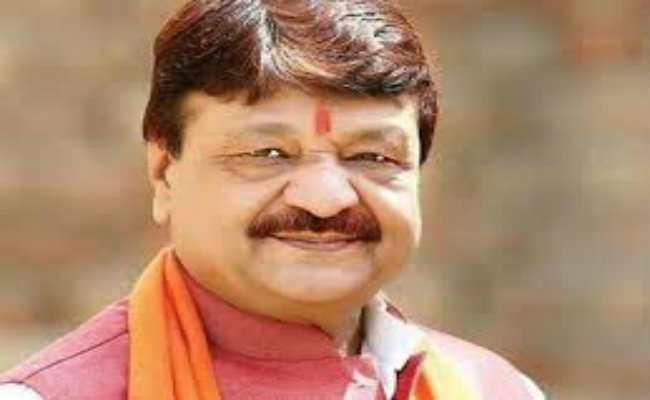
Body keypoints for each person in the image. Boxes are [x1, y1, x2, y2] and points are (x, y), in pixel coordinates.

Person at [0, 1, 545, 399]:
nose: (326, 200)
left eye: (373, 156)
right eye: (267, 153)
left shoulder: (495, 389)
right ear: (164, 173)